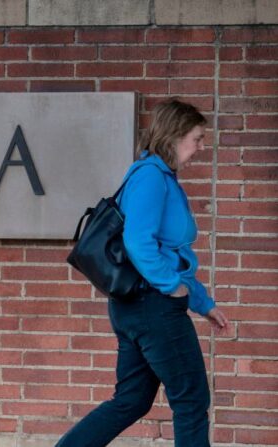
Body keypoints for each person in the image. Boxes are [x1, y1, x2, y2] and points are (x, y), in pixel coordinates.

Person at [56, 99, 230, 447]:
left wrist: (202, 302)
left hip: (135, 306)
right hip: (154, 306)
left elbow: (170, 253)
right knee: (191, 401)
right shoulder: (152, 176)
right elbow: (138, 242)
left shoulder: (155, 175)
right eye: (197, 139)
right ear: (176, 135)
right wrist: (172, 287)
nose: (200, 147)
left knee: (131, 400)